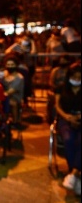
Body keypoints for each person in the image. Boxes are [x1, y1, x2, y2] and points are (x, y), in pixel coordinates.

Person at [54, 63, 81, 196]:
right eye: (74, 77)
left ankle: (74, 174)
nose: (76, 80)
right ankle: (74, 172)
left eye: (79, 78)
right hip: (65, 118)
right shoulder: (61, 89)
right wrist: (67, 117)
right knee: (69, 139)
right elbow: (57, 106)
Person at [3, 55, 24, 129]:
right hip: (4, 96)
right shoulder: (4, 74)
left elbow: (10, 92)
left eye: (12, 65)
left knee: (11, 102)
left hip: (15, 97)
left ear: (16, 65)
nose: (10, 66)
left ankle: (15, 122)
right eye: (8, 65)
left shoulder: (19, 78)